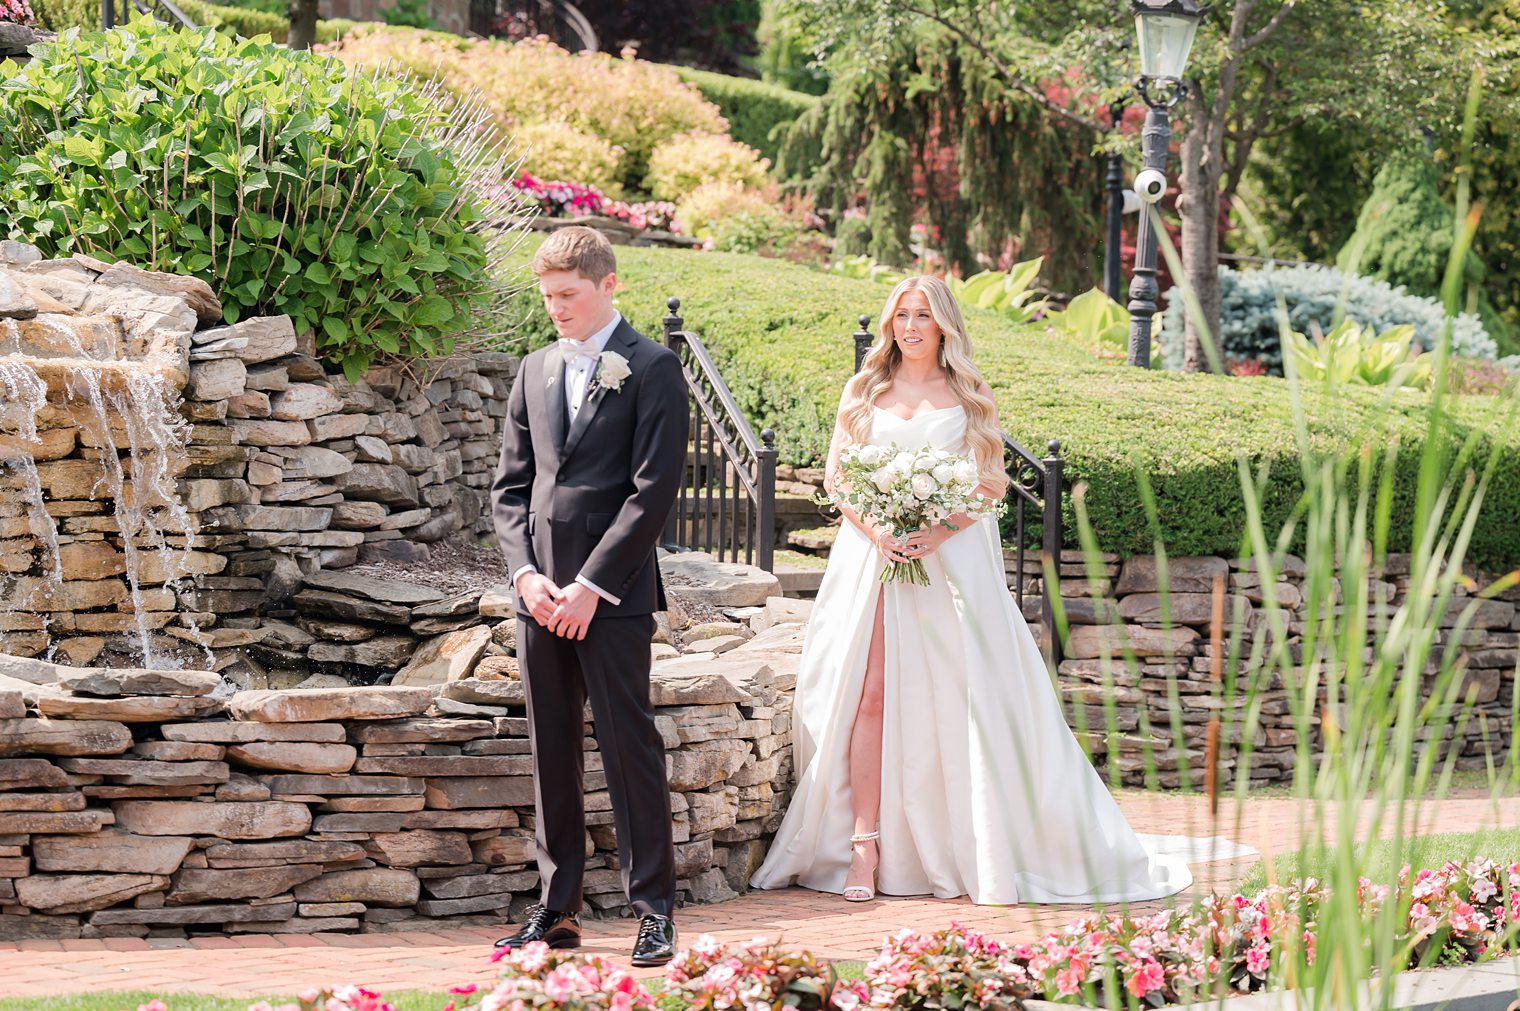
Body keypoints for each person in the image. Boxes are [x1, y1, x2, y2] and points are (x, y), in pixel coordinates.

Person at [750, 275, 1193, 905]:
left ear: (943, 325)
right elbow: (838, 476)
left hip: (949, 563)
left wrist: (935, 531)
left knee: (962, 698)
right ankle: (862, 849)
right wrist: (878, 527)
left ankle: (972, 842)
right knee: (869, 697)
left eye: (922, 315)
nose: (909, 326)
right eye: (901, 315)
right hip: (873, 560)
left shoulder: (969, 392)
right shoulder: (864, 388)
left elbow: (990, 483)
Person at [490, 226, 687, 965]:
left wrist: (590, 587)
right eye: (547, 297)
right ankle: (556, 907)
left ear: (609, 285)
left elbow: (651, 492)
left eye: (568, 295)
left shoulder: (654, 367)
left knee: (629, 744)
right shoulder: (534, 367)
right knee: (551, 749)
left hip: (614, 594)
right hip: (538, 597)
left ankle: (654, 910)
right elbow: (511, 489)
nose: (556, 310)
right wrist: (526, 576)